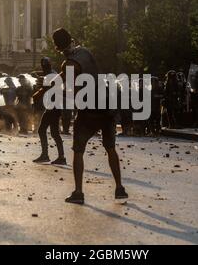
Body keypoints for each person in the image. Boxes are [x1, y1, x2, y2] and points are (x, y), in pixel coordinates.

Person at [35, 28, 128, 205]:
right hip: (106, 105)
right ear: (71, 39)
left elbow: (72, 93)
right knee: (110, 148)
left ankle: (78, 192)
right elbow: (67, 75)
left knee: (78, 151)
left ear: (57, 48)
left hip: (89, 111)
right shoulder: (84, 52)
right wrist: (47, 87)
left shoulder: (68, 64)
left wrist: (54, 93)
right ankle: (119, 188)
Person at [32, 57, 66, 165]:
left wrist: (37, 94)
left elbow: (47, 87)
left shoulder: (52, 75)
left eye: (44, 65)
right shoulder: (51, 74)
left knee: (44, 130)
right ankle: (58, 156)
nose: (44, 67)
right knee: (53, 132)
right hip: (53, 106)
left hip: (54, 107)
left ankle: (49, 155)